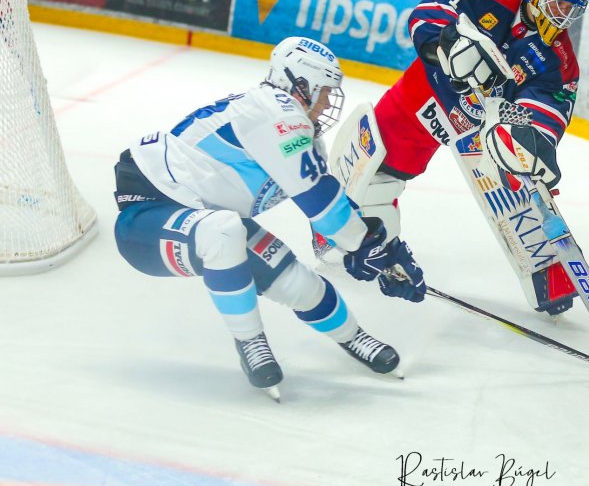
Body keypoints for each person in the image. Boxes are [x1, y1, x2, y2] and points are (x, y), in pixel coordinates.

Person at [112, 37, 425, 398]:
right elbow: (321, 205)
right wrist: (363, 245)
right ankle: (250, 342)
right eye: (324, 92)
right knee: (224, 231)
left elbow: (329, 211)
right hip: (148, 214)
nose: (327, 104)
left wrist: (383, 255)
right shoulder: (277, 113)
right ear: (301, 85)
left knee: (298, 282)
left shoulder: (296, 130)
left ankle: (353, 337)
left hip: (204, 219)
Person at [329, 0, 588, 316]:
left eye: (572, 9)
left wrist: (532, 138)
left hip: (482, 125)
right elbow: (430, 9)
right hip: (429, 92)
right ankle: (359, 236)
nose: (563, 16)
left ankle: (549, 276)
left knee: (514, 180)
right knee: (381, 170)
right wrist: (444, 45)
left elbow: (552, 106)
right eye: (559, 3)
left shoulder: (560, 58)